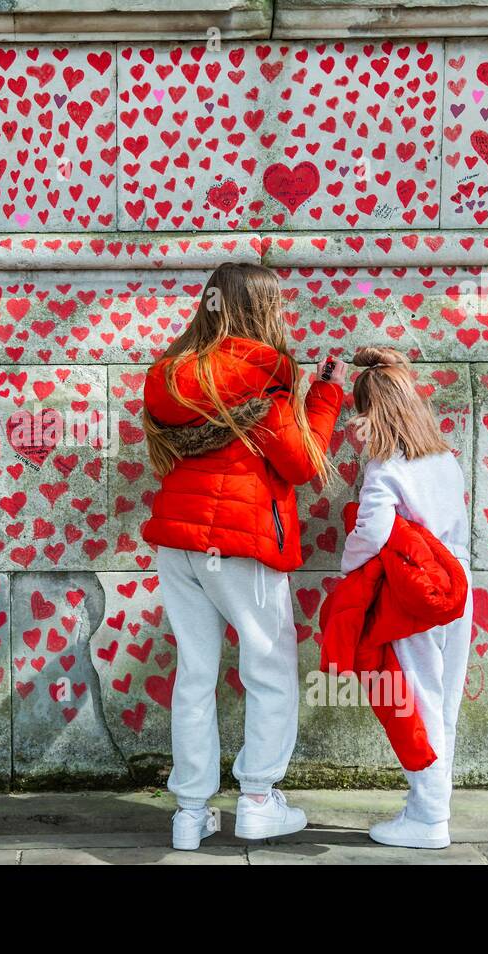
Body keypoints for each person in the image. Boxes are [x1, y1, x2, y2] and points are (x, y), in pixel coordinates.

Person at [141, 263, 346, 850]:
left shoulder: (170, 375)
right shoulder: (265, 375)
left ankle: (189, 813)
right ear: (262, 309)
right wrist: (325, 395)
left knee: (194, 673)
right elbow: (302, 464)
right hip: (241, 542)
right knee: (269, 670)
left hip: (179, 542)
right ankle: (257, 800)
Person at [340, 346, 472, 849]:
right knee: (444, 702)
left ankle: (428, 818)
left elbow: (372, 532)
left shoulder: (386, 467)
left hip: (415, 592)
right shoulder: (444, 459)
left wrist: (348, 567)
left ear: (371, 412)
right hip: (457, 584)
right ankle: (432, 808)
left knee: (418, 702)